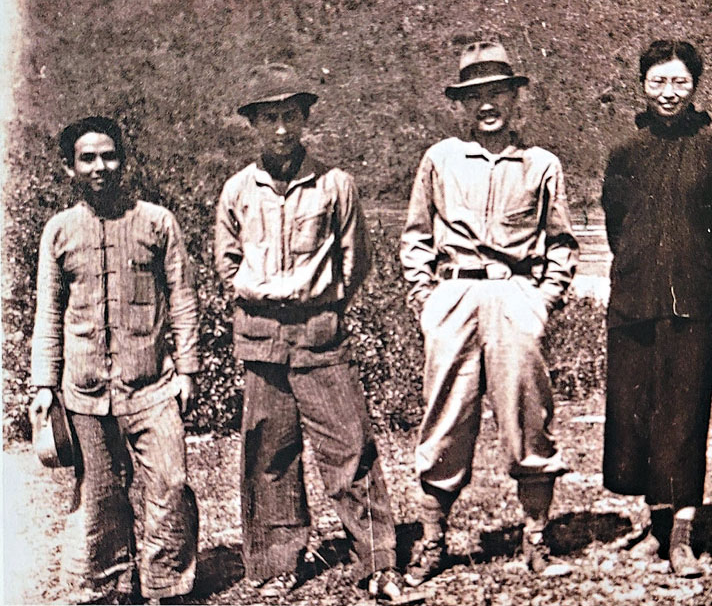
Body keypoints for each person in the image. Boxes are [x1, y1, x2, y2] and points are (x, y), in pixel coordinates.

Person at [214, 62, 412, 603]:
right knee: (269, 453)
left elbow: (355, 261)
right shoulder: (237, 190)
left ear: (305, 119)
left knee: (350, 447)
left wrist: (320, 304)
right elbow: (227, 263)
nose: (281, 129)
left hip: (320, 335)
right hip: (260, 336)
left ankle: (377, 562)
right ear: (253, 124)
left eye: (290, 116)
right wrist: (265, 296)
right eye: (269, 118)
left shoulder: (335, 185)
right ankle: (276, 563)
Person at [400, 41, 578, 585]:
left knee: (528, 414)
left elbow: (561, 243)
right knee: (445, 417)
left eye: (498, 92)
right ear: (460, 103)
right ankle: (433, 541)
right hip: (453, 297)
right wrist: (426, 299)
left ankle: (536, 536)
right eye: (475, 95)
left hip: (514, 297)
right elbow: (416, 236)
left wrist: (542, 300)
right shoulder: (440, 159)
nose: (487, 105)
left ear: (515, 98)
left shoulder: (541, 164)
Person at [30, 116, 200, 605]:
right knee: (100, 494)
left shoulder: (158, 222)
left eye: (109, 155)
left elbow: (183, 299)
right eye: (87, 158)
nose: (100, 166)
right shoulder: (59, 231)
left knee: (170, 483)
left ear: (123, 160)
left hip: (153, 385)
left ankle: (168, 584)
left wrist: (187, 369)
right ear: (70, 168)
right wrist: (44, 385)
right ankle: (106, 586)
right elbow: (49, 312)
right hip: (85, 390)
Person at [600, 40, 712, 577]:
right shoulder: (625, 152)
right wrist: (638, 267)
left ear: (695, 86)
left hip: (691, 302)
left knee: (683, 416)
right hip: (634, 299)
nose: (669, 92)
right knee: (637, 415)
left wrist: (692, 265)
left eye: (680, 81)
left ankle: (681, 536)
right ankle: (654, 527)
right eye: (658, 81)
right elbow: (616, 225)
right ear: (643, 84)